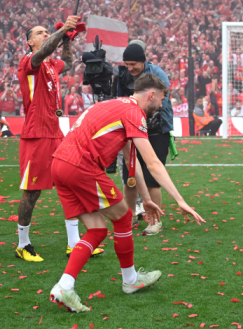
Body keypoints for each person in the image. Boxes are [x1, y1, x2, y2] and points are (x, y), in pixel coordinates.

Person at [49, 74, 205, 312]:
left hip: (60, 165)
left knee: (98, 229)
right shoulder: (135, 113)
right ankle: (130, 281)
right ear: (150, 95)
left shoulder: (114, 106)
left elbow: (134, 162)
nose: (162, 106)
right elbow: (153, 163)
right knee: (123, 218)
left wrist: (149, 199)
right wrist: (181, 201)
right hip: (81, 166)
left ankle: (65, 286)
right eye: (162, 100)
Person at [16, 16, 96, 262]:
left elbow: (68, 63)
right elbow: (47, 49)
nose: (44, 34)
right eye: (39, 33)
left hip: (55, 133)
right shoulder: (30, 61)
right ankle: (23, 244)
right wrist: (62, 32)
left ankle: (74, 243)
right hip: (35, 134)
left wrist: (68, 39)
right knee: (33, 191)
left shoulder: (52, 65)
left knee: (68, 183)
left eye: (45, 32)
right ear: (30, 41)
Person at [115, 42, 174, 236]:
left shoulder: (157, 73)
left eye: (133, 64)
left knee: (151, 179)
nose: (130, 68)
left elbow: (162, 101)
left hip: (156, 131)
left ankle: (155, 221)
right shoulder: (122, 75)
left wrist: (141, 115)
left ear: (143, 61)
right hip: (131, 131)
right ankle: (129, 217)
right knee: (130, 178)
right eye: (127, 64)